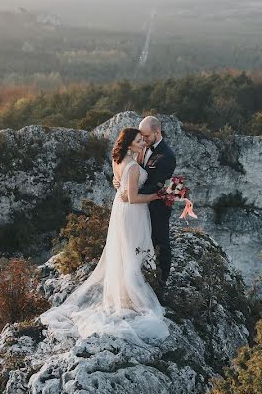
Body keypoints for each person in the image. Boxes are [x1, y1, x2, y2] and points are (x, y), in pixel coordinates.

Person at [39, 127, 170, 346]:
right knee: (132, 250)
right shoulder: (134, 168)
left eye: (142, 140)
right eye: (138, 141)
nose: (142, 143)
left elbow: (119, 182)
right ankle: (131, 296)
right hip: (132, 211)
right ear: (129, 144)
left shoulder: (118, 160)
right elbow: (132, 198)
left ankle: (125, 293)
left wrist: (119, 183)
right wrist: (159, 194)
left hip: (119, 209)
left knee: (124, 250)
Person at [119, 116, 177, 301]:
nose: (143, 140)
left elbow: (156, 185)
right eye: (140, 137)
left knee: (161, 244)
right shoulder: (142, 149)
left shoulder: (167, 156)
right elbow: (131, 172)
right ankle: (139, 284)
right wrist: (122, 183)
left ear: (157, 132)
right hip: (138, 208)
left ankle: (160, 288)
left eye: (146, 136)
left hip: (156, 208)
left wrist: (130, 191)